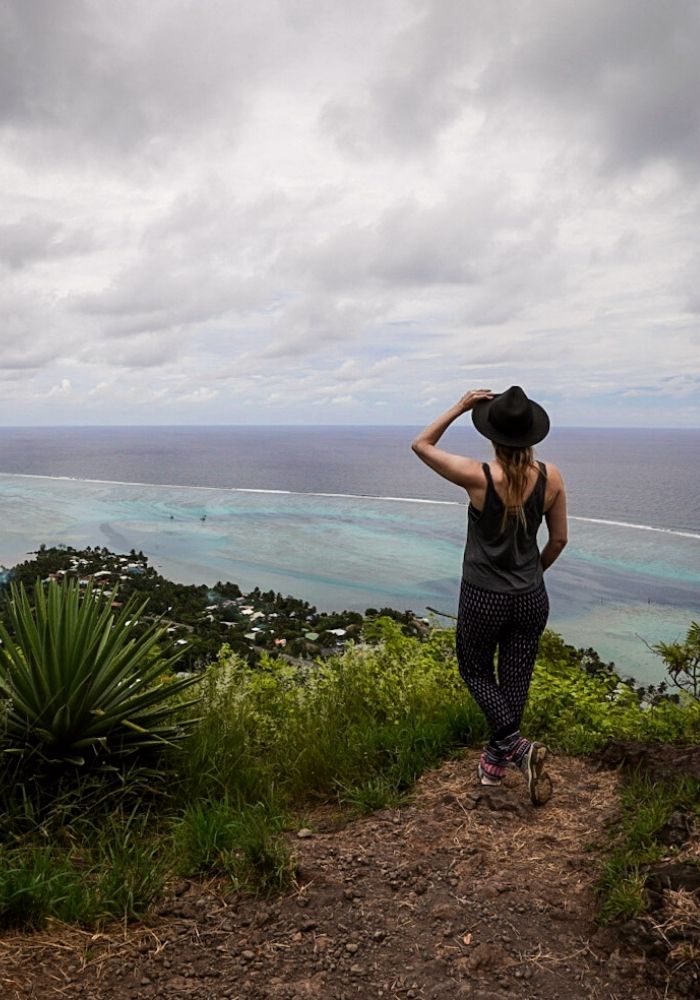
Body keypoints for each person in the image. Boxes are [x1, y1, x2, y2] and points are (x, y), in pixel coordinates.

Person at [411, 385, 568, 805]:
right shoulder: (551, 477)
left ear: (493, 437)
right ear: (532, 436)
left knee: (476, 671)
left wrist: (461, 406)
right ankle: (494, 766)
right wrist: (532, 574)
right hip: (531, 596)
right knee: (515, 679)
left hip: (484, 595)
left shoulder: (480, 477)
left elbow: (421, 444)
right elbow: (558, 541)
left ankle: (516, 749)